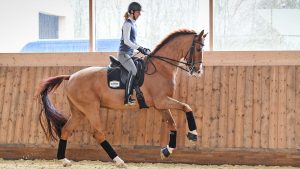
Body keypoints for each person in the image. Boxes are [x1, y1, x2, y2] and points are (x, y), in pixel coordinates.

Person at [118, 2, 150, 107]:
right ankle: (127, 97)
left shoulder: (133, 24)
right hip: (123, 54)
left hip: (129, 54)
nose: (139, 14)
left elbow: (133, 42)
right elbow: (127, 41)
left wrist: (143, 48)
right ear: (132, 12)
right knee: (133, 70)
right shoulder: (127, 24)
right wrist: (139, 48)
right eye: (138, 12)